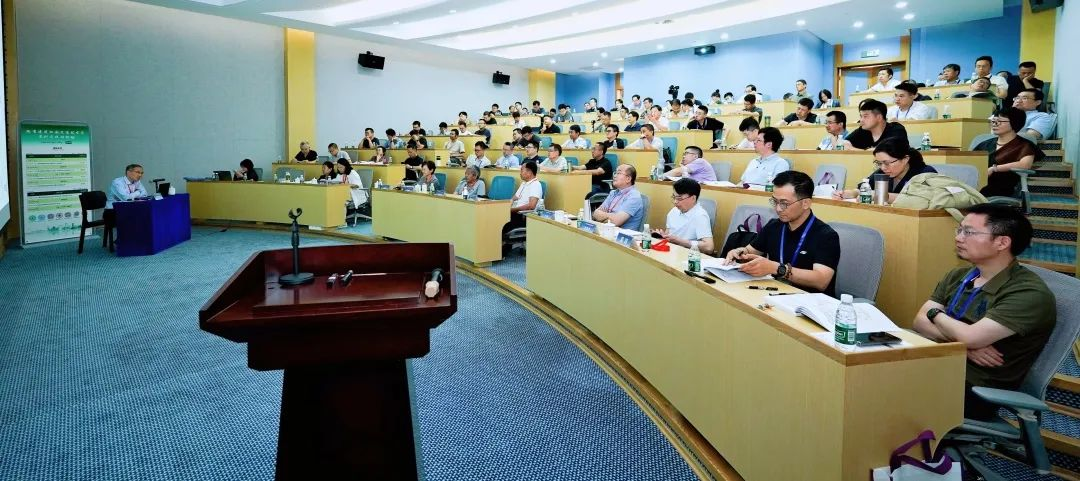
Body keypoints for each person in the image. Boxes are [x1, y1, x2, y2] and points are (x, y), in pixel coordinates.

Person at [912, 203, 1055, 420]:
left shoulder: (1028, 292)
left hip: (974, 389)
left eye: (969, 232)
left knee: (879, 391)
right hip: (940, 365)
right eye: (959, 230)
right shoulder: (958, 275)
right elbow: (919, 322)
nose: (959, 238)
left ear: (1002, 242)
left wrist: (935, 315)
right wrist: (965, 348)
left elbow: (970, 336)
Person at [725, 170, 840, 296]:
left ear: (805, 203)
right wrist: (739, 253)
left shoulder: (826, 235)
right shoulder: (774, 226)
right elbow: (750, 251)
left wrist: (777, 269)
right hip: (775, 294)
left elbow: (821, 280)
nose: (778, 209)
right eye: (775, 201)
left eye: (784, 203)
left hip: (810, 301)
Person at [833, 137, 937, 203]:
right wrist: (851, 193)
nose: (883, 167)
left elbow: (921, 199)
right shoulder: (883, 172)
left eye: (887, 163)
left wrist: (882, 196)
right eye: (879, 163)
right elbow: (865, 188)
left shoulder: (925, 173)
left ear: (905, 159)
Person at [976, 107, 1045, 198]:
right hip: (976, 183)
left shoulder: (1025, 145)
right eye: (993, 121)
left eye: (999, 121)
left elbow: (1024, 165)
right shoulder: (984, 144)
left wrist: (994, 169)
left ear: (1014, 123)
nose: (994, 124)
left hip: (1000, 187)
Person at [654, 178, 714, 253]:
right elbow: (669, 234)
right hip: (671, 252)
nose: (675, 202)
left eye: (679, 199)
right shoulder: (673, 211)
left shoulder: (700, 215)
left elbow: (709, 247)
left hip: (687, 254)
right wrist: (662, 236)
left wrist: (679, 241)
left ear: (693, 198)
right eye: (674, 197)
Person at [593, 164, 645, 231]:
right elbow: (595, 213)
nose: (614, 176)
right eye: (615, 173)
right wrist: (611, 217)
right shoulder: (613, 193)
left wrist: (602, 217)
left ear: (628, 179)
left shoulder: (634, 197)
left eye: (619, 173)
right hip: (607, 231)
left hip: (622, 235)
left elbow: (616, 222)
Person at [843, 99, 908, 150]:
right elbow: (844, 142)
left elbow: (886, 151)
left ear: (879, 117)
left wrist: (853, 149)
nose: (861, 120)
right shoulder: (863, 130)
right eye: (861, 116)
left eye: (865, 116)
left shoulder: (896, 129)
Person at [502, 161, 544, 240]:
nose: (520, 173)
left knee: (499, 224)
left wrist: (512, 210)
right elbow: (514, 197)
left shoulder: (535, 185)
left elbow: (531, 206)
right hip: (514, 213)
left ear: (529, 172)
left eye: (521, 170)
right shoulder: (524, 183)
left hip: (522, 217)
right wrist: (507, 204)